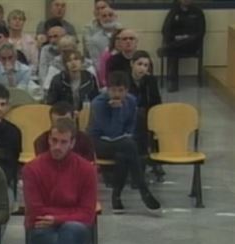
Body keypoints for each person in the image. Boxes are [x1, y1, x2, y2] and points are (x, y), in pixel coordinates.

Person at [88, 71, 161, 214]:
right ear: (107, 89)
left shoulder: (131, 100)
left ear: (126, 91)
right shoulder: (98, 103)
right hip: (99, 142)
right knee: (128, 145)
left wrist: (125, 134)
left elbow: (131, 126)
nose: (116, 94)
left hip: (122, 142)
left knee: (124, 153)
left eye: (121, 90)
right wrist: (117, 111)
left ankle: (117, 197)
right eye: (113, 90)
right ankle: (143, 188)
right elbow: (110, 132)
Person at [128, 50, 165, 181]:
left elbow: (156, 103)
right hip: (127, 117)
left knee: (149, 121)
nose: (142, 68)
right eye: (139, 64)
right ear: (132, 64)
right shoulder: (124, 79)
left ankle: (150, 162)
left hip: (147, 117)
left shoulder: (151, 81)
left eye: (146, 65)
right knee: (139, 119)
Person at [159, 0, 206, 92]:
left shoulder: (198, 12)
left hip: (192, 45)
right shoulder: (174, 11)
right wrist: (176, 37)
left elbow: (201, 32)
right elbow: (165, 30)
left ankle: (167, 49)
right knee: (173, 52)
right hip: (176, 43)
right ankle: (173, 83)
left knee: (172, 49)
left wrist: (187, 37)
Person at [85, 6, 121, 71]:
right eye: (104, 16)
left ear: (116, 17)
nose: (108, 18)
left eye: (110, 15)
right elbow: (96, 62)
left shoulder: (124, 35)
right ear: (99, 19)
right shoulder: (94, 40)